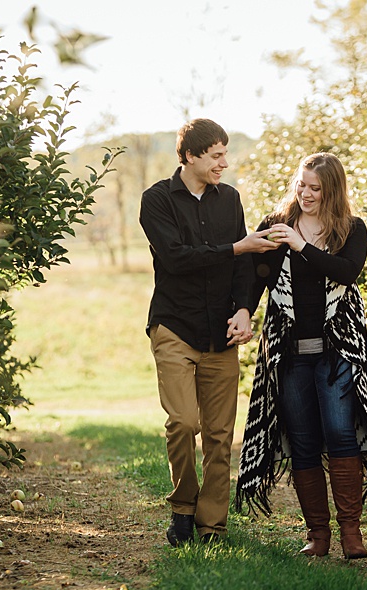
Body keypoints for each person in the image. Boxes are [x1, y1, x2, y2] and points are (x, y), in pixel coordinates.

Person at [235, 152, 367, 559]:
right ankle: (318, 535)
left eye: (315, 188)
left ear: (332, 191)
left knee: (341, 433)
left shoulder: (351, 230)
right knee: (303, 441)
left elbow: (347, 272)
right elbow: (256, 279)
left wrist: (302, 246)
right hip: (289, 354)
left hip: (338, 350)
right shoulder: (275, 226)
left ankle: (351, 534)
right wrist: (243, 311)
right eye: (301, 185)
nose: (305, 194)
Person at [139, 118, 277, 546]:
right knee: (183, 422)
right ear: (191, 155)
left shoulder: (229, 200)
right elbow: (178, 259)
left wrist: (243, 309)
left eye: (225, 154)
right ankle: (182, 506)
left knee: (219, 436)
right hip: (174, 326)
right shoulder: (156, 200)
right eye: (216, 155)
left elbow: (241, 267)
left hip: (222, 332)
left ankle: (212, 526)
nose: (224, 163)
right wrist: (239, 246)